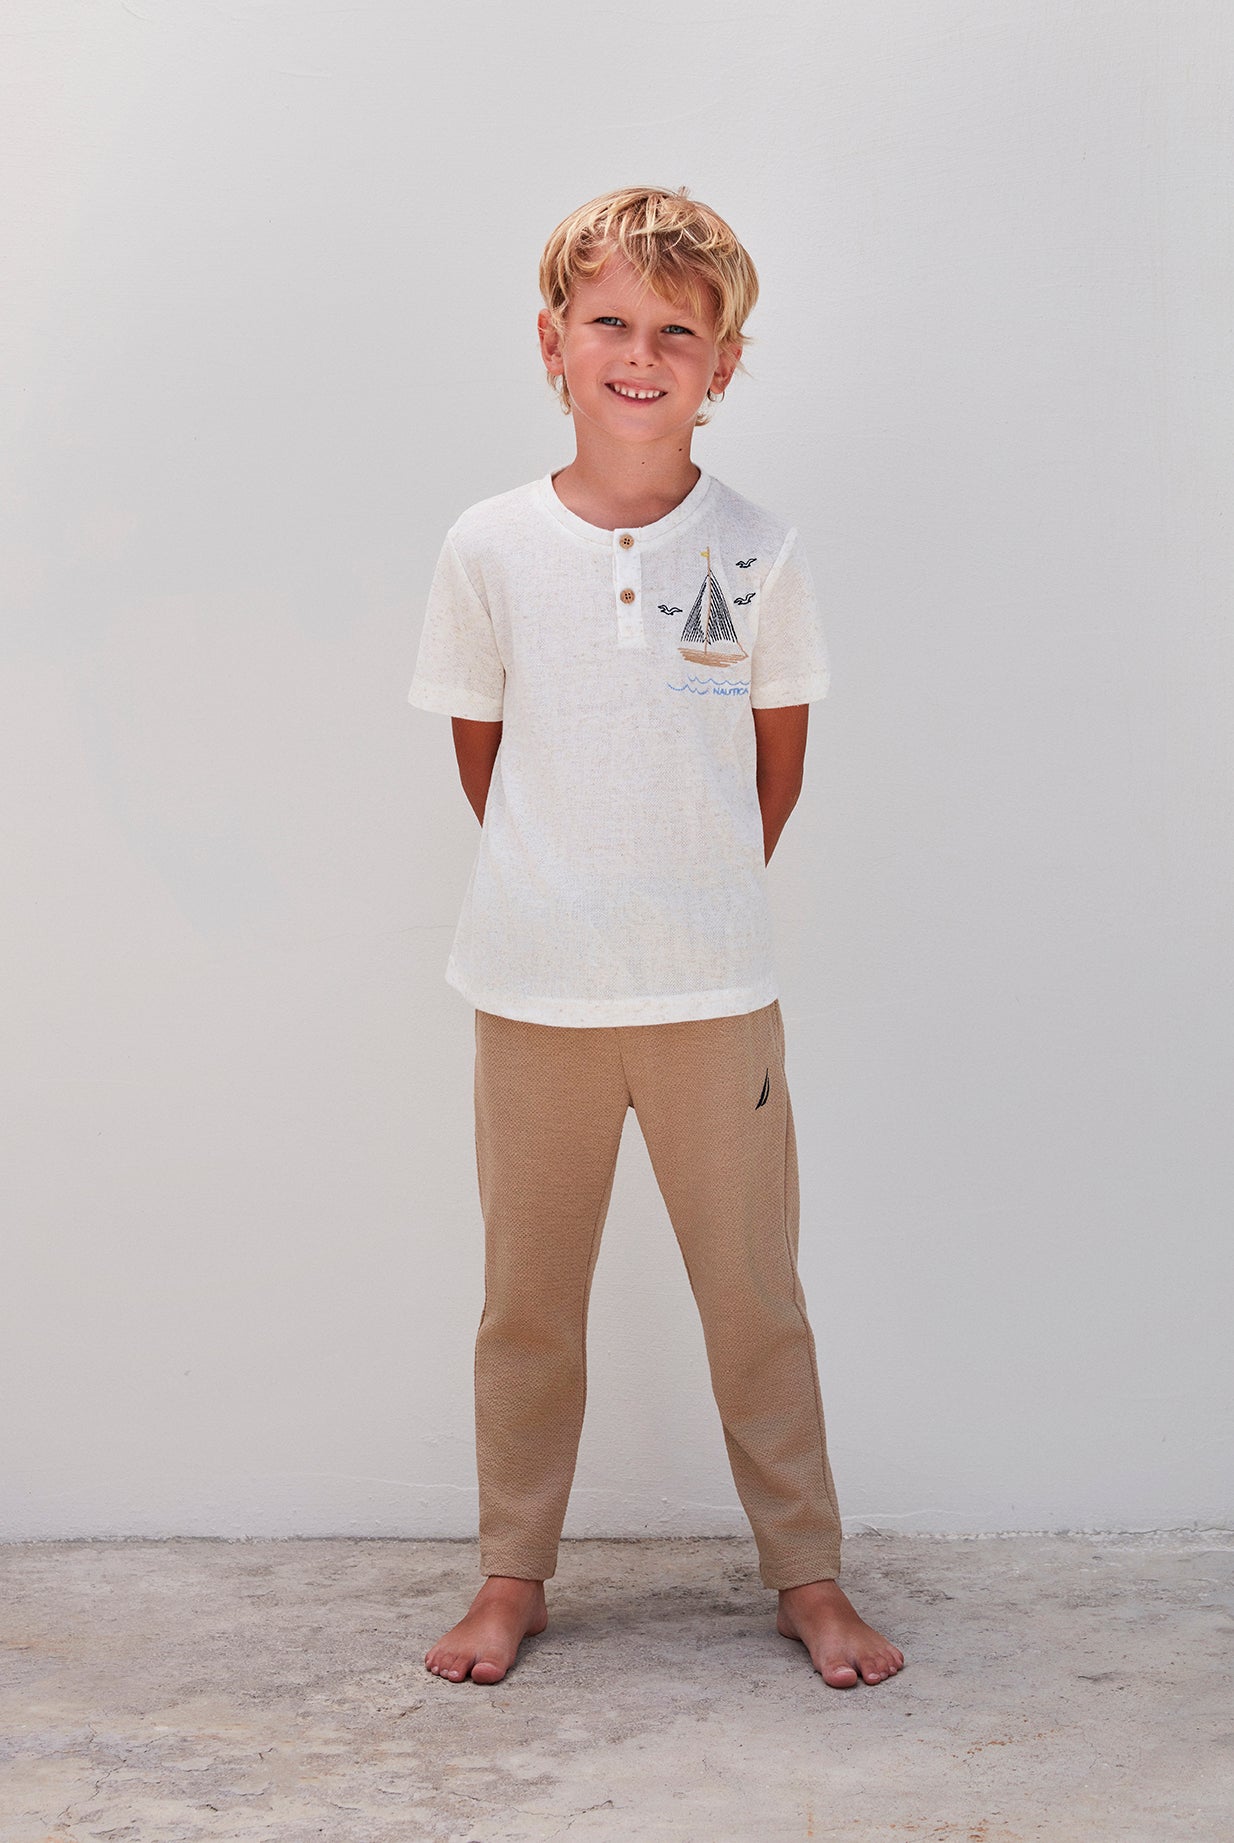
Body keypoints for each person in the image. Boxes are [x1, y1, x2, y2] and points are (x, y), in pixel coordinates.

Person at [407, 185, 904, 1691]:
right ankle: (513, 1575)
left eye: (676, 333)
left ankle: (806, 1577)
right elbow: (486, 756)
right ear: (553, 342)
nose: (641, 354)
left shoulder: (756, 547)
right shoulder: (488, 545)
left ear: (722, 364)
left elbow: (775, 763)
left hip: (713, 996)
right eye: (610, 323)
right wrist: (571, 887)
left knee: (754, 1297)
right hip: (531, 994)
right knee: (525, 1304)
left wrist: (685, 892)